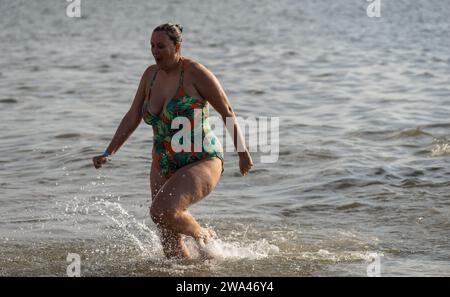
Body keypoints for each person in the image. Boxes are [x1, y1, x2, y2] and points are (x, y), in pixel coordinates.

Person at [92, 23, 253, 259]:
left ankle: (204, 236)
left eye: (161, 46)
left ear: (177, 46)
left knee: (161, 211)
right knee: (168, 240)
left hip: (201, 158)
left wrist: (242, 153)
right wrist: (109, 152)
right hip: (163, 161)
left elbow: (227, 111)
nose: (155, 51)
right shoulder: (150, 75)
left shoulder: (196, 73)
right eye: (152, 46)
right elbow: (133, 116)